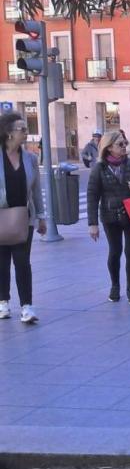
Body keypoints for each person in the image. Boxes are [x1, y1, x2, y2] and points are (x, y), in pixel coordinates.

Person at [87, 130, 130, 305]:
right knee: (114, 252)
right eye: (120, 144)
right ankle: (115, 286)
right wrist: (92, 224)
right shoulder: (98, 169)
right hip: (110, 217)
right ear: (109, 148)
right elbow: (92, 196)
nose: (124, 147)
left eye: (125, 143)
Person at [0, 113, 45, 323]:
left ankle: (27, 306)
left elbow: (36, 190)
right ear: (9, 133)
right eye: (22, 129)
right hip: (1, 216)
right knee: (1, 263)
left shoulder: (31, 158)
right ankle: (3, 302)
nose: (26, 132)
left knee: (22, 262)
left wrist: (42, 216)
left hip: (23, 218)